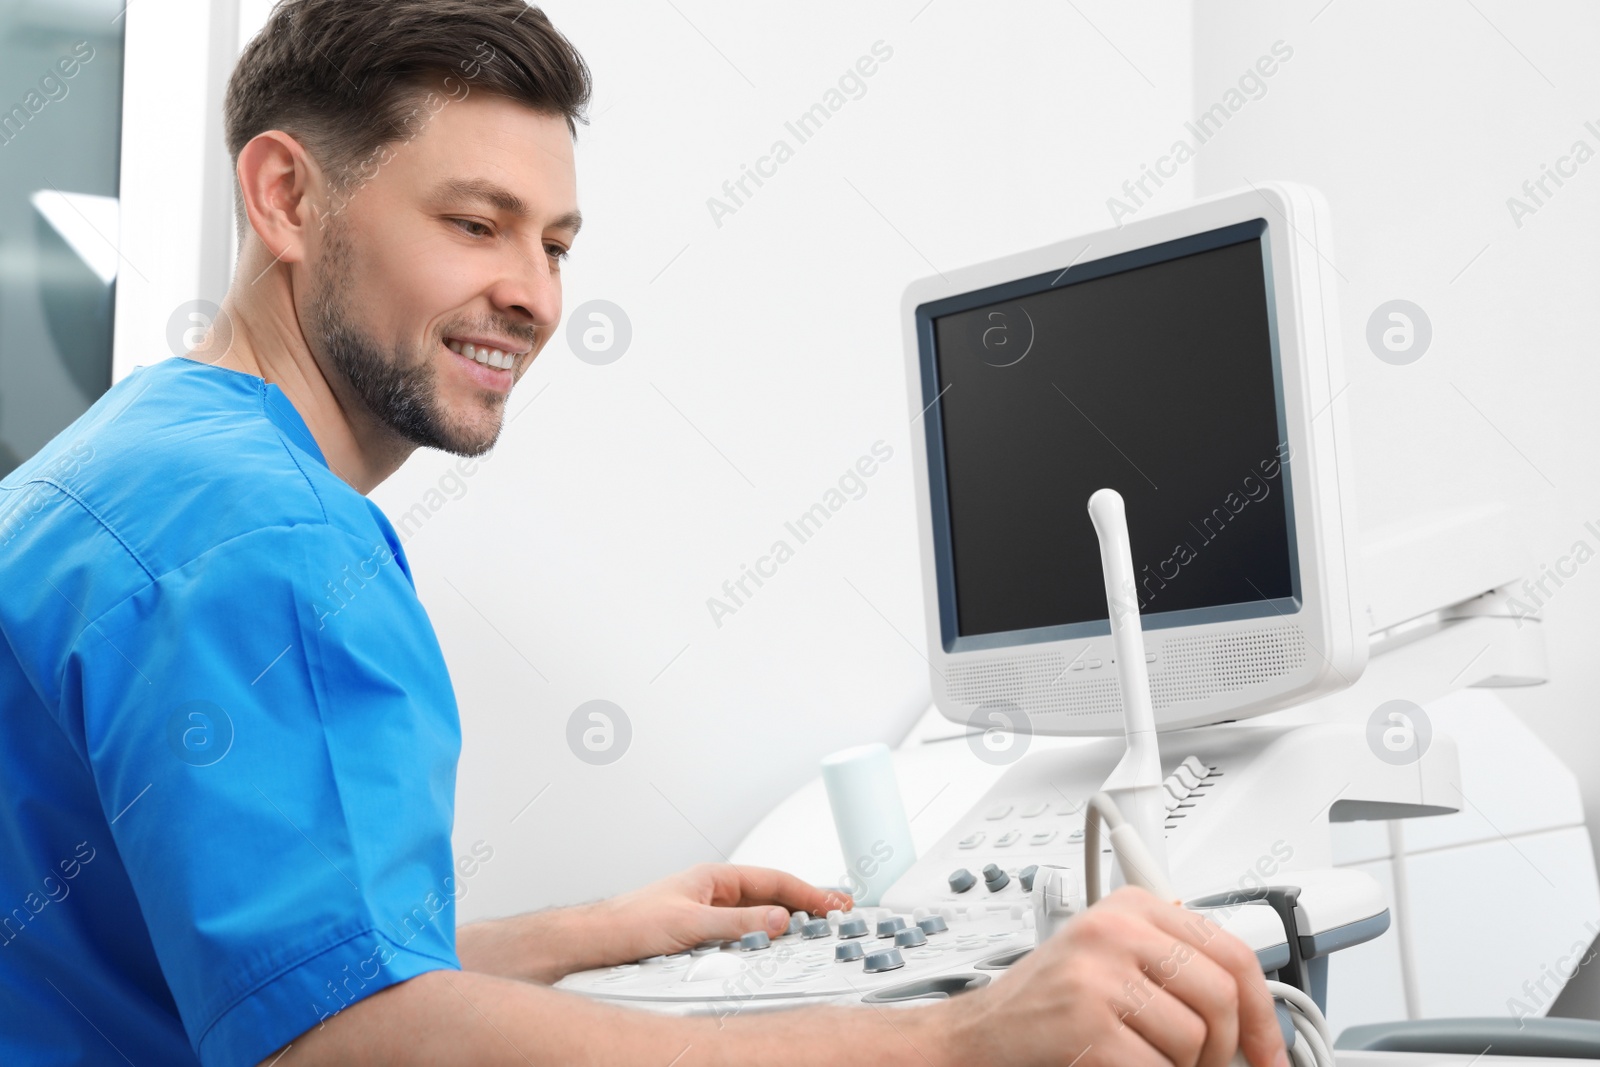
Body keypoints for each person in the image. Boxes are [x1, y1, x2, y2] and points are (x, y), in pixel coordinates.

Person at [0, 2, 1289, 1065]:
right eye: (475, 224)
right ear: (287, 198)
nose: (534, 295)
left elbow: (217, 965)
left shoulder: (140, 463)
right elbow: (351, 1045)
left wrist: (586, 931)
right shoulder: (266, 534)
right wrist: (965, 1038)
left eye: (556, 243)